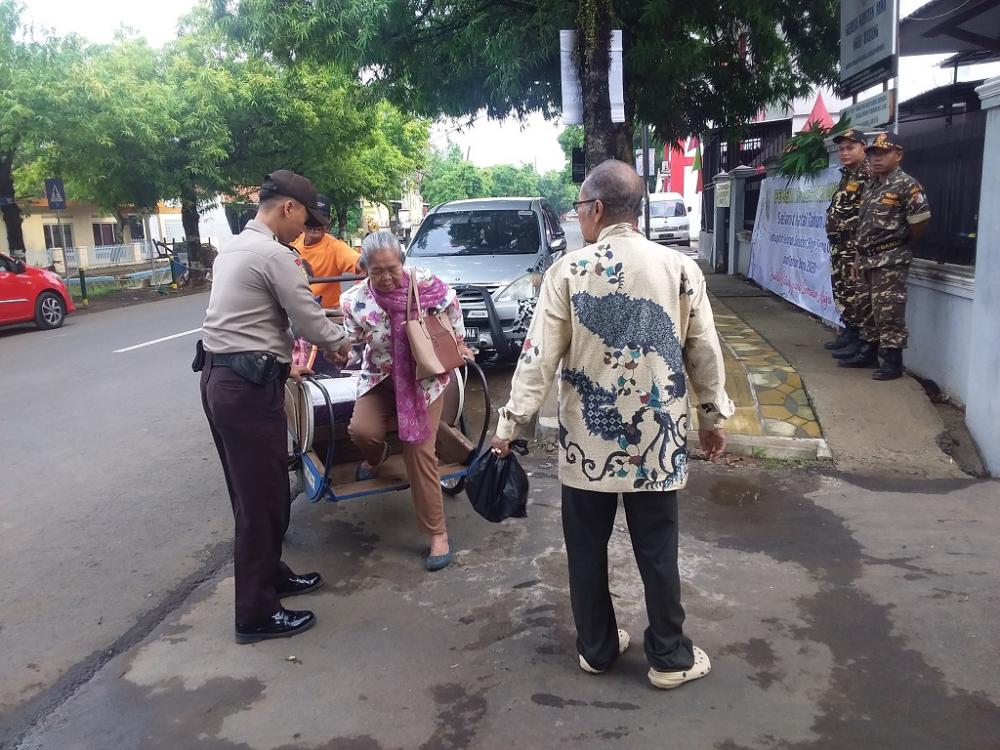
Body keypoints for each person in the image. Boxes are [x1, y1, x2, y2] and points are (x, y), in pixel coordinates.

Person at [491, 160, 734, 689]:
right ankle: (669, 657)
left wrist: (511, 426)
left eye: (580, 209)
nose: (579, 219)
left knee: (585, 547)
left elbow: (537, 360)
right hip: (657, 442)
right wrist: (712, 416)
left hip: (588, 445)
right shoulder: (679, 268)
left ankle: (598, 649)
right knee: (657, 549)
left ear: (597, 208)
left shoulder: (568, 271)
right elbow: (704, 350)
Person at [200, 170, 352, 644]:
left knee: (253, 494)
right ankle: (255, 614)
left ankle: (272, 574)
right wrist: (347, 341)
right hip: (246, 389)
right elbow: (309, 320)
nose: (305, 231)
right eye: (305, 219)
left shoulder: (236, 246)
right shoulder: (274, 254)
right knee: (261, 502)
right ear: (288, 208)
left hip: (221, 379)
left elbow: (269, 316)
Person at [340, 231, 476, 571]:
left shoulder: (426, 284)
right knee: (361, 431)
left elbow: (452, 307)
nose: (386, 278)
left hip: (423, 380)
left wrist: (459, 343)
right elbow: (354, 347)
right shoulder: (354, 302)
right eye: (377, 271)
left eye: (392, 269)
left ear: (403, 263)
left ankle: (437, 534)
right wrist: (339, 352)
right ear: (365, 269)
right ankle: (376, 458)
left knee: (419, 451)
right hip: (380, 377)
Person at [839, 133, 931, 380]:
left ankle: (892, 362)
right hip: (866, 258)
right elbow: (864, 225)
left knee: (888, 311)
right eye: (872, 154)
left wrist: (899, 244)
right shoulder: (871, 185)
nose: (876, 159)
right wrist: (858, 257)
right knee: (865, 307)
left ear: (898, 155)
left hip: (890, 259)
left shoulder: (906, 185)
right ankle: (867, 353)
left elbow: (920, 223)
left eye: (883, 153)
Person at [824, 129, 871, 359]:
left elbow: (869, 216)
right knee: (843, 292)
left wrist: (858, 251)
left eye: (849, 148)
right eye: (841, 149)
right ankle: (849, 333)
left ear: (864, 147)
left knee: (857, 294)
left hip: (854, 246)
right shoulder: (848, 174)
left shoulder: (868, 175)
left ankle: (860, 341)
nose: (844, 152)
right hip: (839, 246)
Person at [291, 193, 362, 309]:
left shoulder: (335, 247)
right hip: (297, 312)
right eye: (311, 218)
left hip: (327, 314)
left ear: (328, 221)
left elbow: (360, 263)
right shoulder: (293, 242)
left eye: (322, 217)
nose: (316, 223)